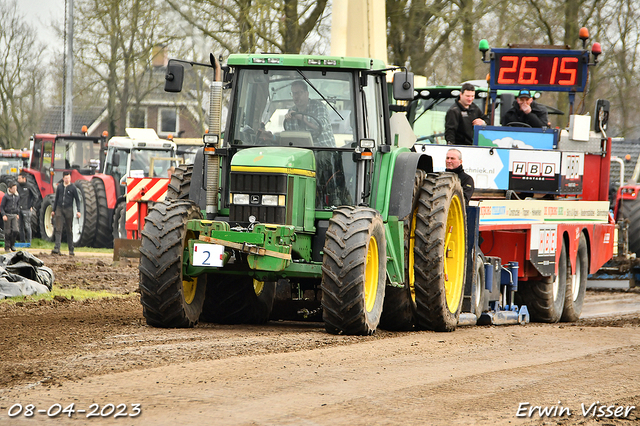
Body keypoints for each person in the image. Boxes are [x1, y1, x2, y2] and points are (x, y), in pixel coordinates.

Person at [283, 80, 335, 147]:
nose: (296, 96)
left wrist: (301, 117)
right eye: (293, 93)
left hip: (324, 151)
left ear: (307, 94)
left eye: (299, 93)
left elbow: (321, 125)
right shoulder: (291, 111)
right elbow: (290, 136)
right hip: (302, 152)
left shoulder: (318, 106)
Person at [51, 171, 81, 256]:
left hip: (69, 209)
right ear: (63, 178)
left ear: (70, 178)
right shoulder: (60, 187)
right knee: (58, 228)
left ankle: (71, 249)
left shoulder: (73, 188)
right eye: (66, 178)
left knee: (69, 229)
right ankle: (57, 248)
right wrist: (53, 210)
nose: (67, 179)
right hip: (59, 208)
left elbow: (77, 200)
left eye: (68, 178)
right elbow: (56, 199)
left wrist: (78, 211)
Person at [1, 181, 20, 252]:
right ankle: (7, 247)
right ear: (10, 189)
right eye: (14, 188)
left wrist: (17, 213)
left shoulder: (17, 196)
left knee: (15, 230)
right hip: (7, 215)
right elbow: (2, 206)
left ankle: (12, 244)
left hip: (14, 215)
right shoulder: (6, 196)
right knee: (7, 232)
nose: (15, 190)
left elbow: (18, 205)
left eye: (16, 188)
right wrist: (3, 215)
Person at [17, 173, 35, 244]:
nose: (18, 180)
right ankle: (22, 241)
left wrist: (31, 206)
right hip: (19, 209)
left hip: (26, 209)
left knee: (27, 226)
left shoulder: (29, 186)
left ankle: (29, 242)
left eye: (19, 178)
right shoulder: (17, 186)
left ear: (24, 179)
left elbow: (35, 196)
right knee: (20, 226)